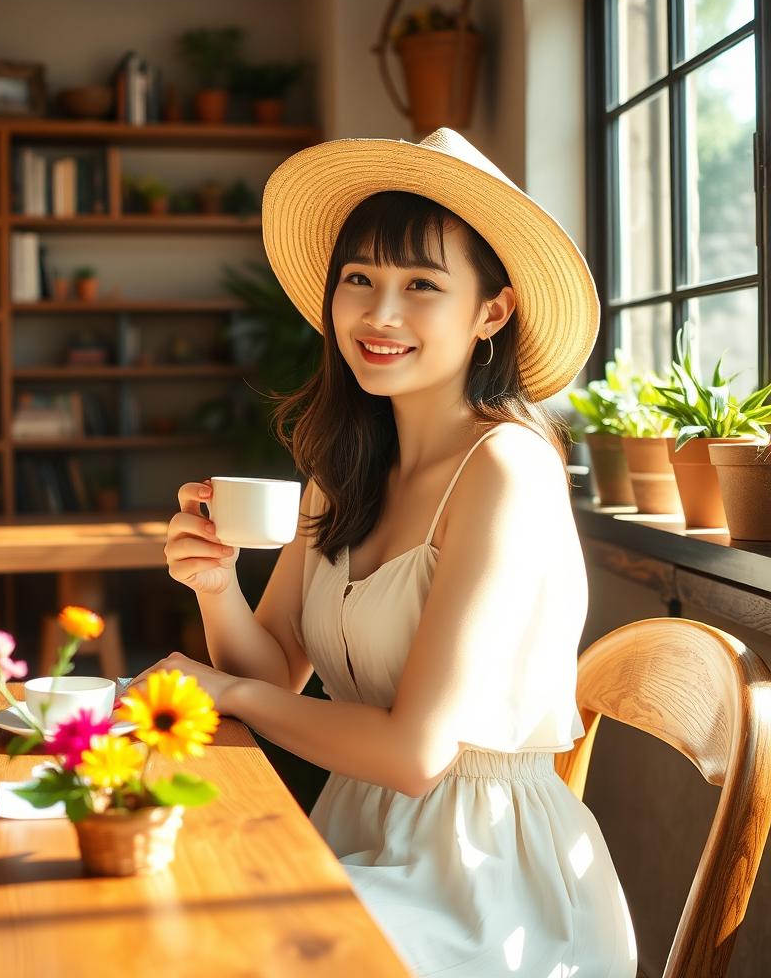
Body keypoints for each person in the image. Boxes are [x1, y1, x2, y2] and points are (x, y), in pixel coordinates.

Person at [129, 128, 638, 977]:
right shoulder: (347, 464)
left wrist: (230, 691)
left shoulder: (505, 467)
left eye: (422, 286)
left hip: (486, 889)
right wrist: (216, 586)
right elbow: (282, 663)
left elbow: (415, 755)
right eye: (359, 279)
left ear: (492, 312)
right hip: (356, 838)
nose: (380, 313)